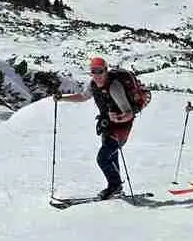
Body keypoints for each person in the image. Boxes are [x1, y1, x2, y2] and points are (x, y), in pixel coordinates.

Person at [55, 56, 136, 199]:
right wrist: (63, 98)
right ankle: (117, 186)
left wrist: (118, 118)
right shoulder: (92, 85)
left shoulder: (114, 87)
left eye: (100, 71)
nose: (97, 75)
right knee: (111, 155)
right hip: (108, 124)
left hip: (121, 126)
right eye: (94, 71)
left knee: (103, 158)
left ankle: (115, 186)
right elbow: (83, 97)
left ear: (106, 70)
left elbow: (129, 113)